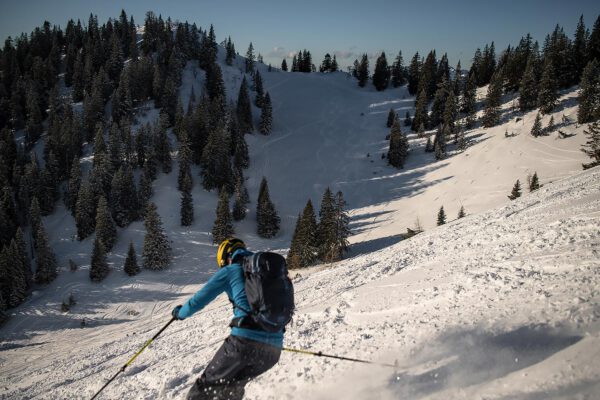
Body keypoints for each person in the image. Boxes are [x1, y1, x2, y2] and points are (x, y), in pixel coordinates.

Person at [172, 238, 283, 400]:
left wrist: (180, 313)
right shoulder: (267, 272)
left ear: (225, 258)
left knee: (203, 390)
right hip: (272, 352)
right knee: (231, 391)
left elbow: (198, 301)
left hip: (243, 345)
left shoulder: (231, 270)